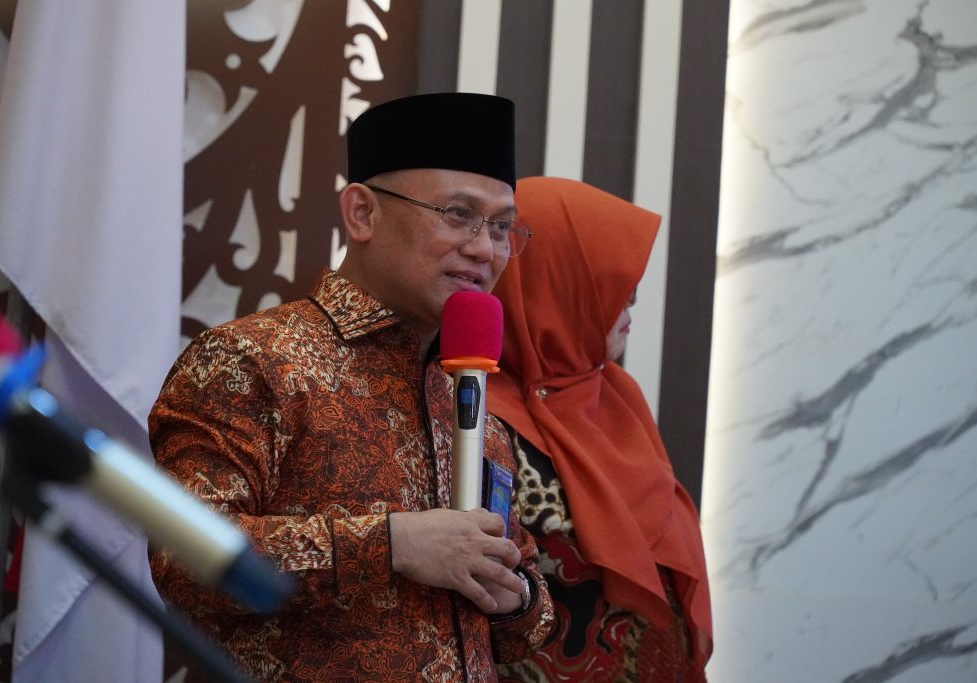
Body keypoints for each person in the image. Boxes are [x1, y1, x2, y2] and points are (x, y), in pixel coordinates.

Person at [148, 93, 554, 683]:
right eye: (458, 214)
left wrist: (516, 595)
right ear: (362, 213)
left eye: (501, 227)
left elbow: (526, 626)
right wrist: (392, 546)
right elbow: (184, 559)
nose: (484, 249)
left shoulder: (467, 401)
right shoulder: (255, 360)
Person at [488, 177, 713, 682]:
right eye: (605, 278)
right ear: (555, 284)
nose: (631, 297)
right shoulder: (470, 419)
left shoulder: (615, 399)